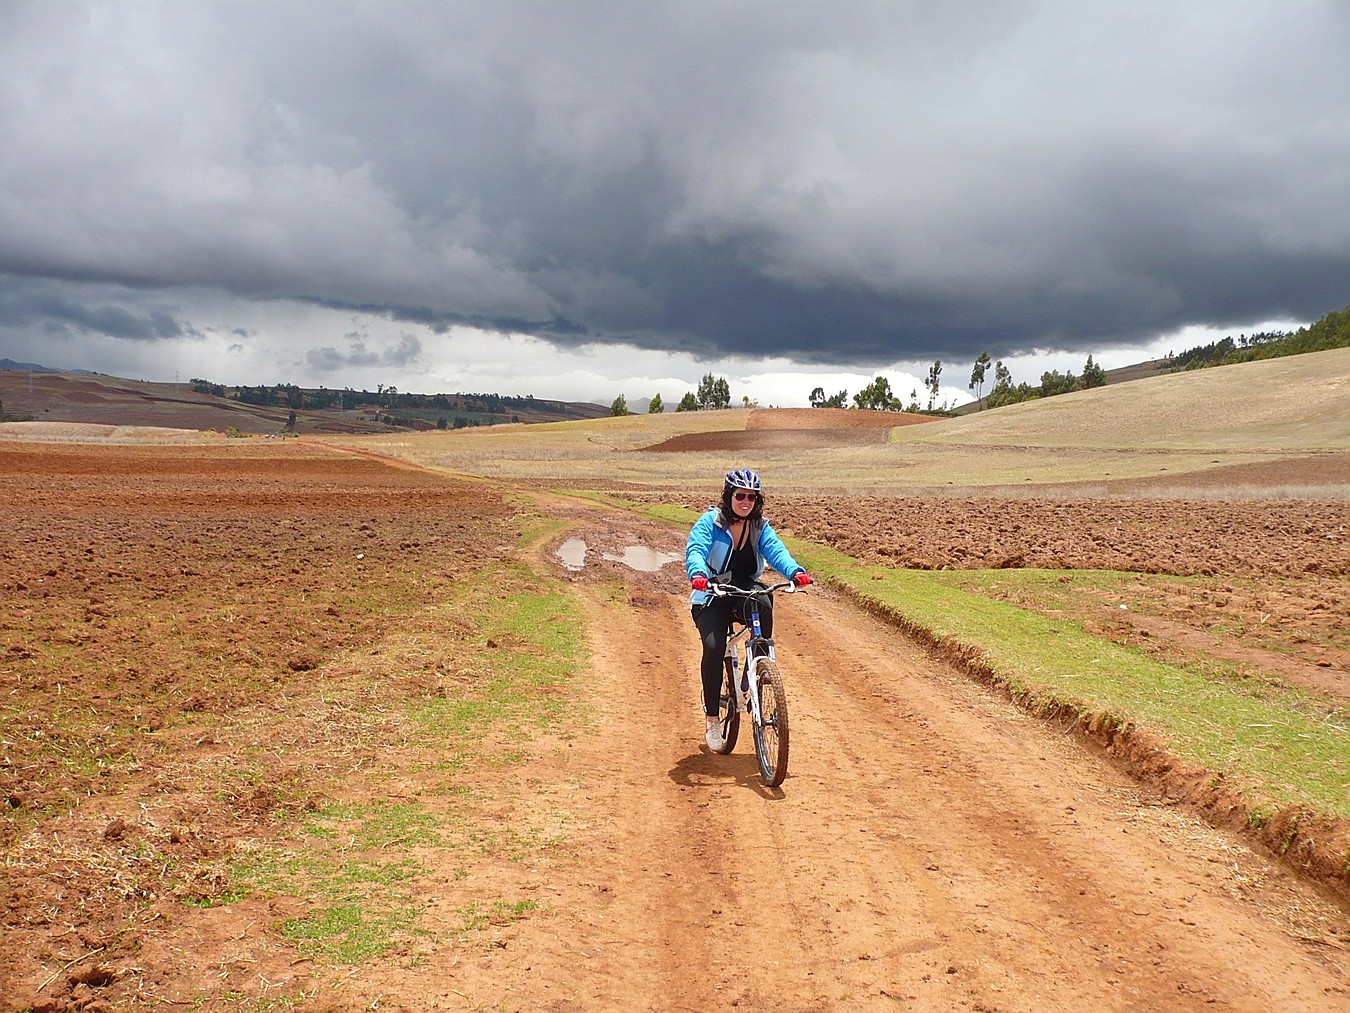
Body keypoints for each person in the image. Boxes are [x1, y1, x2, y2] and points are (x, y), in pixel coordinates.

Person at [685, 468, 812, 751]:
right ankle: (712, 719)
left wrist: (794, 571)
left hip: (743, 587)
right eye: (740, 495)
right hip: (712, 591)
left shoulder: (759, 527)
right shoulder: (711, 522)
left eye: (752, 497)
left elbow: (776, 551)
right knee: (714, 647)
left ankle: (757, 673)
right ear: (729, 496)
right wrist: (698, 574)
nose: (746, 501)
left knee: (764, 602)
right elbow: (696, 549)